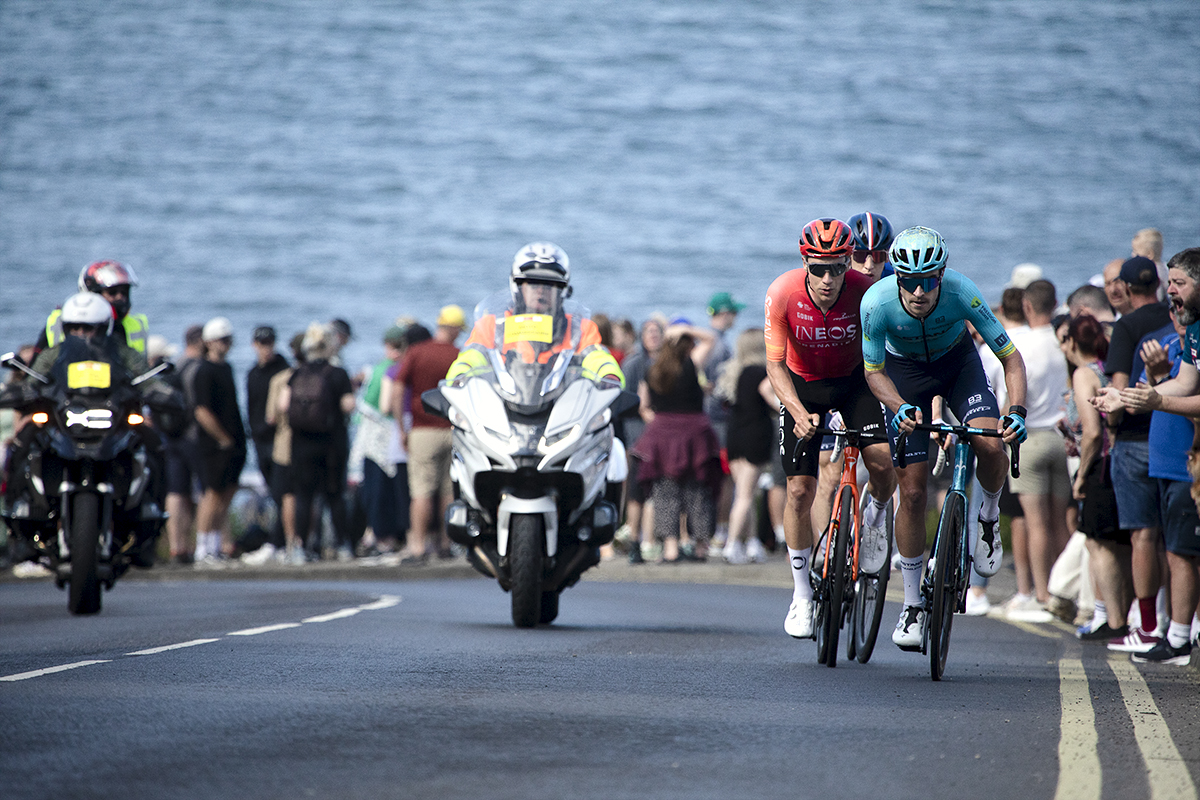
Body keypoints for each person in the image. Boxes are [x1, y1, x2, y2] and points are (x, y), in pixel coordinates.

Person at [860, 226, 1028, 651]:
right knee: (913, 494)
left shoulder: (962, 293)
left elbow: (1011, 358)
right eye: (910, 283)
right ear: (896, 278)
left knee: (991, 444)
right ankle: (913, 604)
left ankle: (988, 519)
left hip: (958, 368)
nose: (919, 292)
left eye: (929, 281)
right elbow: (873, 372)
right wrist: (899, 406)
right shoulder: (875, 303)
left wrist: (1018, 412)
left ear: (942, 276)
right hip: (905, 377)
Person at [764, 218, 898, 640]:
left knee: (882, 465)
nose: (827, 278)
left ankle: (874, 520)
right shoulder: (782, 292)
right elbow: (774, 363)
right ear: (804, 263)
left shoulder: (868, 293)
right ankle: (802, 593)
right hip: (803, 387)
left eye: (837, 268)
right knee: (799, 490)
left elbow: (887, 353)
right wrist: (796, 410)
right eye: (818, 268)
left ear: (847, 264)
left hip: (855, 383)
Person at [1097, 248, 1200, 663]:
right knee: (1175, 548)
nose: (1171, 293)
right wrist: (1126, 396)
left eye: (1179, 284)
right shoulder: (1190, 330)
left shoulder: (1136, 328)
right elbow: (1185, 381)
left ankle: (1172, 635)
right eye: (1169, 282)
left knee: (1172, 546)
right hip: (1173, 456)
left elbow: (1177, 392)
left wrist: (1154, 398)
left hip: (1179, 457)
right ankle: (1175, 635)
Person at [1092, 255, 1171, 652]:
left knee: (1143, 536)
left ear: (1123, 288)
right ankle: (1178, 624)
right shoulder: (1176, 319)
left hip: (1136, 439)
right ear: (1159, 283)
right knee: (1173, 540)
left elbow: (1117, 394)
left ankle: (1147, 626)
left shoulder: (1126, 326)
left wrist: (1109, 427)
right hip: (1174, 433)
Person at [1002, 279, 1071, 622]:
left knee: (1036, 523)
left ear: (1027, 306)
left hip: (1030, 436)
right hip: (1063, 436)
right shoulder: (1063, 341)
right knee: (1062, 521)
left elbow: (1010, 395)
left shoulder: (1020, 343)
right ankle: (1066, 592)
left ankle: (1041, 594)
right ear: (1055, 303)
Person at [1059, 314, 1129, 640]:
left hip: (1100, 464)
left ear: (1072, 342)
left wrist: (1082, 476)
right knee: (1119, 542)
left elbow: (1091, 432)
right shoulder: (1108, 367)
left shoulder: (1083, 373)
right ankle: (1110, 616)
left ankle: (1114, 621)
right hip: (1122, 459)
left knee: (1098, 542)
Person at [632, 324, 720, 562]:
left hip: (662, 433)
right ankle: (701, 546)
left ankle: (670, 547)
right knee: (698, 489)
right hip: (694, 433)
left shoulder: (653, 369)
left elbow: (645, 405)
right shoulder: (691, 363)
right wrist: (686, 328)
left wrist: (661, 425)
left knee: (665, 491)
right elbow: (711, 339)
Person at [397, 305, 466, 561]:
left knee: (422, 491)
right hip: (452, 429)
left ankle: (417, 546)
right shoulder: (459, 355)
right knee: (448, 490)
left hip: (422, 429)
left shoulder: (416, 352)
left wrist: (401, 427)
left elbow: (398, 389)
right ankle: (446, 544)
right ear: (455, 329)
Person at [282, 323, 356, 560]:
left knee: (304, 497)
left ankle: (301, 548)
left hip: (301, 444)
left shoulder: (297, 373)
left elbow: (283, 406)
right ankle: (343, 545)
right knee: (335, 496)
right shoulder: (338, 373)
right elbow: (348, 406)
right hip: (332, 444)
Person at [715, 328, 775, 564]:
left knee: (745, 491)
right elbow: (767, 391)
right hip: (755, 435)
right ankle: (731, 544)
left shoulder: (736, 372)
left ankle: (751, 543)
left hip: (735, 434)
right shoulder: (762, 372)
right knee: (746, 494)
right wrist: (785, 408)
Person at [351, 324, 411, 555]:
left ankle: (373, 535)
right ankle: (392, 535)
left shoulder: (379, 369)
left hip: (372, 436)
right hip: (393, 433)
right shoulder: (396, 369)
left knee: (375, 489)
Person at [192, 317, 247, 565]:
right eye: (221, 340)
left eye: (228, 340)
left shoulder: (227, 368)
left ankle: (215, 544)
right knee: (212, 494)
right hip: (214, 443)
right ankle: (202, 548)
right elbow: (201, 410)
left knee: (227, 493)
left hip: (234, 440)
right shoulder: (203, 370)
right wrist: (221, 437)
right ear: (209, 342)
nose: (226, 344)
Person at [41, 260, 150, 357]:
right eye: (112, 293)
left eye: (124, 292)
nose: (120, 298)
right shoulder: (63, 321)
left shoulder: (135, 324)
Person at [162, 325, 205, 564]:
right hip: (192, 436)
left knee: (176, 493)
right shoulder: (196, 368)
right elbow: (198, 406)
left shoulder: (176, 365)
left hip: (171, 436)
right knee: (203, 492)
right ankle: (198, 546)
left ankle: (176, 547)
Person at [246, 326, 288, 501]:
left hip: (277, 436)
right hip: (259, 437)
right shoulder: (253, 373)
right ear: (254, 345)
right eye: (262, 343)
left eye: (269, 343)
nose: (266, 348)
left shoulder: (283, 369)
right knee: (271, 487)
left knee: (282, 489)